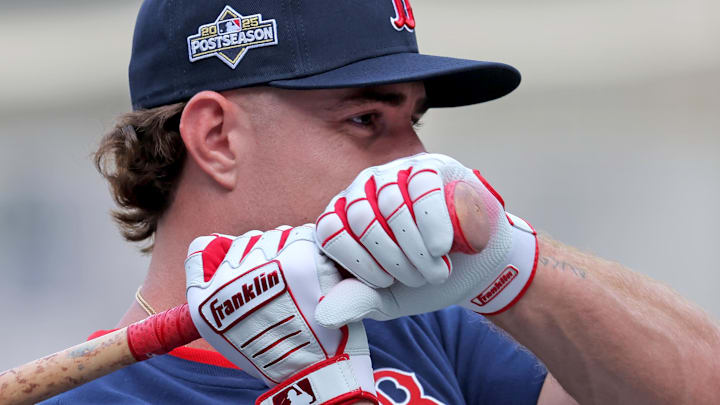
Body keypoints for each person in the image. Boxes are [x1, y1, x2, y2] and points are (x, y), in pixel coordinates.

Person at [41, 0, 720, 404]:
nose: (417, 160)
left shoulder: (423, 325)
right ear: (217, 138)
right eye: (366, 120)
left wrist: (513, 264)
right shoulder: (89, 397)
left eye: (415, 118)